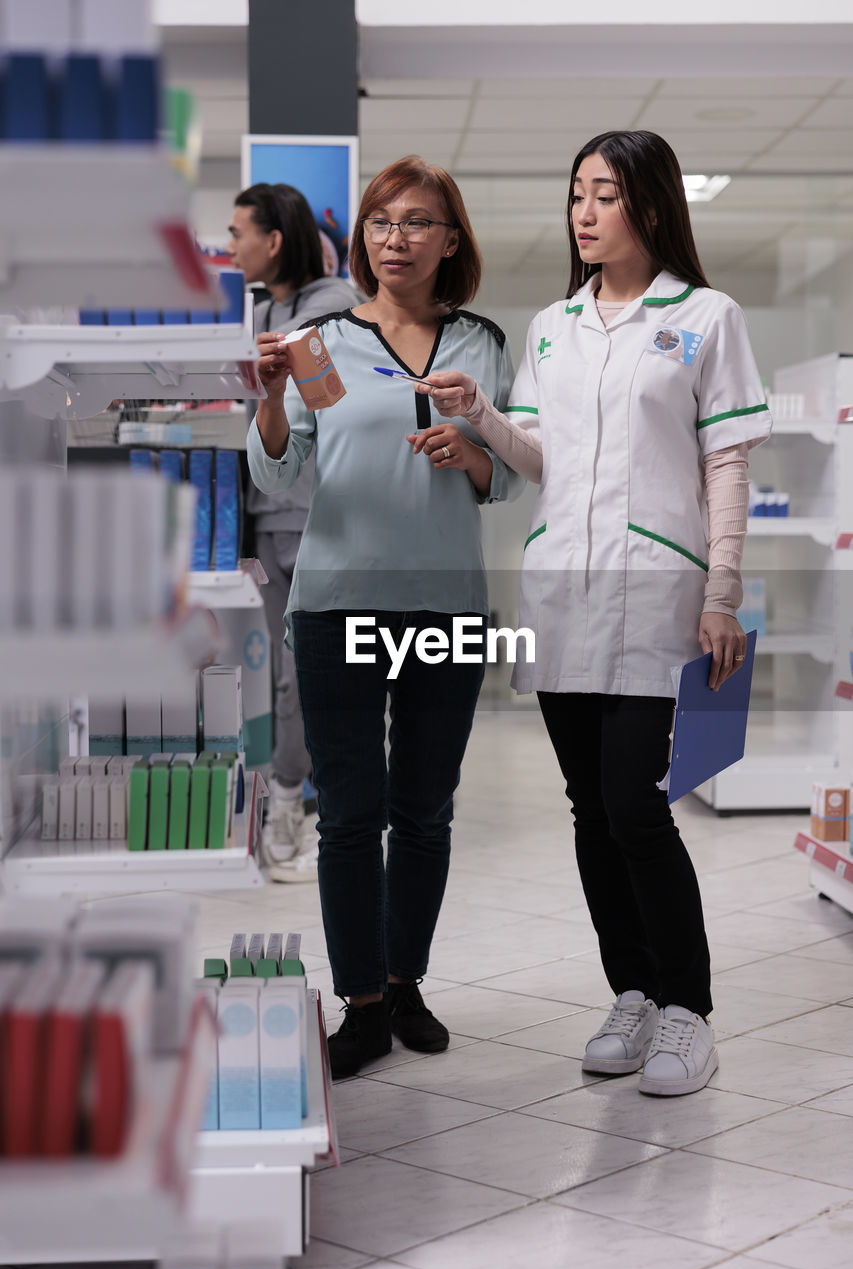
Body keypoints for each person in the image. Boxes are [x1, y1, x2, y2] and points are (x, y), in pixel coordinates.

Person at [419, 130, 772, 1097]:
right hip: (561, 592)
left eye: (604, 194)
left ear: (649, 206)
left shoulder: (705, 316)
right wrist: (480, 416)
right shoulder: (549, 328)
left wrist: (722, 591)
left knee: (633, 805)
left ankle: (688, 1011)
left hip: (658, 593)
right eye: (575, 193)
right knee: (587, 812)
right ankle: (632, 992)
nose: (582, 211)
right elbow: (541, 457)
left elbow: (725, 463)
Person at [246, 155, 523, 1078]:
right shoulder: (322, 339)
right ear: (361, 238)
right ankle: (361, 1003)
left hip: (445, 603)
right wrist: (275, 400)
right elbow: (283, 474)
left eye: (416, 223)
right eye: (379, 222)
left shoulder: (481, 342)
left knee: (426, 810)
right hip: (336, 604)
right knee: (351, 814)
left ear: (451, 240)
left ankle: (406, 982)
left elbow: (510, 474)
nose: (395, 239)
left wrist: (470, 456)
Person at [227, 183, 361, 881]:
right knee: (285, 678)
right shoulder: (270, 308)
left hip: (316, 516)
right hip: (272, 510)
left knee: (309, 680)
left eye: (239, 232)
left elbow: (325, 401)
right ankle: (289, 808)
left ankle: (305, 815)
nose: (231, 247)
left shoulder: (330, 305)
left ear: (274, 240)